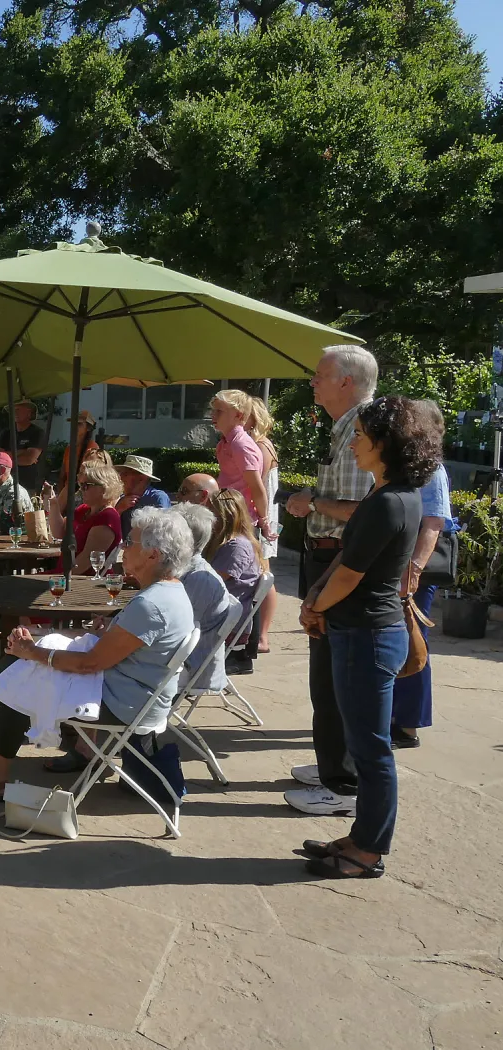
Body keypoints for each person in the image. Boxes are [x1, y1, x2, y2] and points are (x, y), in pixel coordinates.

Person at [0, 508, 196, 796]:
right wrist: (41, 647)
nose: (122, 548)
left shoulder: (150, 604)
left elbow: (89, 664)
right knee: (23, 667)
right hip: (131, 691)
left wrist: (34, 652)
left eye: (130, 542)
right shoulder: (170, 592)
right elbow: (124, 648)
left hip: (124, 704)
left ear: (153, 555)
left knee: (23, 678)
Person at [297, 395, 437, 878]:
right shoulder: (389, 497)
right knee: (366, 745)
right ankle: (361, 837)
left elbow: (350, 575)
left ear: (385, 443)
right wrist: (316, 602)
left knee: (371, 750)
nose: (353, 444)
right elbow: (345, 560)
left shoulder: (391, 501)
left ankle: (368, 851)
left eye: (361, 436)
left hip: (367, 637)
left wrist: (316, 605)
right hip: (360, 631)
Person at [283, 346, 378, 816]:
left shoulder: (365, 430)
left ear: (347, 381)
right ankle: (333, 767)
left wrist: (314, 504)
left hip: (340, 561)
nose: (313, 383)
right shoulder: (347, 429)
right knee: (326, 671)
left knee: (334, 673)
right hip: (327, 558)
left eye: (320, 375)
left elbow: (365, 513)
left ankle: (340, 785)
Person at [392, 400, 454, 750]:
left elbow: (433, 522)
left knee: (414, 642)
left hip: (414, 570)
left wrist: (412, 570)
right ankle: (392, 716)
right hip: (399, 566)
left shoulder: (433, 469)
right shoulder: (406, 463)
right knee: (397, 641)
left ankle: (408, 724)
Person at [171, 502, 239, 691]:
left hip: (192, 667)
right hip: (177, 660)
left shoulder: (198, 578)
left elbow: (173, 632)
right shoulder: (182, 569)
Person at [206, 488, 266, 676]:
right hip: (220, 611)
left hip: (224, 620)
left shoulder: (236, 546)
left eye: (210, 510)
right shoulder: (226, 542)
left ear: (225, 515)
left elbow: (210, 583)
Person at [241, 392, 282, 653]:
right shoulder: (261, 444)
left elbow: (257, 487)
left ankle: (263, 636)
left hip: (260, 516)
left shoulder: (260, 446)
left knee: (263, 575)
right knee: (262, 574)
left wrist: (261, 522)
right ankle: (262, 635)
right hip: (263, 515)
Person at [211, 389, 273, 539]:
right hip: (230, 517)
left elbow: (257, 488)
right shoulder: (226, 443)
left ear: (238, 415)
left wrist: (264, 522)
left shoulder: (241, 445)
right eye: (213, 410)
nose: (212, 415)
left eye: (219, 411)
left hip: (241, 522)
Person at [43, 460, 122, 575]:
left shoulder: (108, 517)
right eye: (81, 485)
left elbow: (85, 561)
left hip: (82, 582)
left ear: (104, 488)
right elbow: (59, 532)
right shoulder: (84, 509)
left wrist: (57, 578)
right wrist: (53, 502)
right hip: (65, 574)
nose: (81, 490)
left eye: (86, 486)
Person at [114, 454, 171, 538]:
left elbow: (162, 532)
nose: (120, 477)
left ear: (141, 478)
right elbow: (109, 528)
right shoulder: (122, 498)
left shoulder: (157, 497)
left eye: (125, 473)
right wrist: (118, 509)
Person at [0, 398, 46, 492]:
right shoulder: (6, 433)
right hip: (6, 485)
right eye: (13, 410)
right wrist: (23, 451)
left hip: (29, 485)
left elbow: (29, 459)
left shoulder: (37, 432)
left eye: (18, 409)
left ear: (29, 412)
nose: (15, 412)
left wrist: (6, 458)